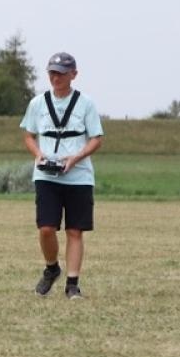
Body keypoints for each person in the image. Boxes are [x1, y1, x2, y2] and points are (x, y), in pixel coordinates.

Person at [21, 51, 105, 299]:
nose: (55, 78)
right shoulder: (37, 103)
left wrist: (76, 158)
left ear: (73, 75)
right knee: (46, 228)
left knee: (75, 231)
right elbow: (28, 135)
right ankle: (51, 268)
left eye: (61, 73)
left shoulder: (86, 104)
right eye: (52, 73)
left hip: (79, 177)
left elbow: (96, 138)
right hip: (46, 176)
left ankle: (72, 283)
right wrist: (38, 154)